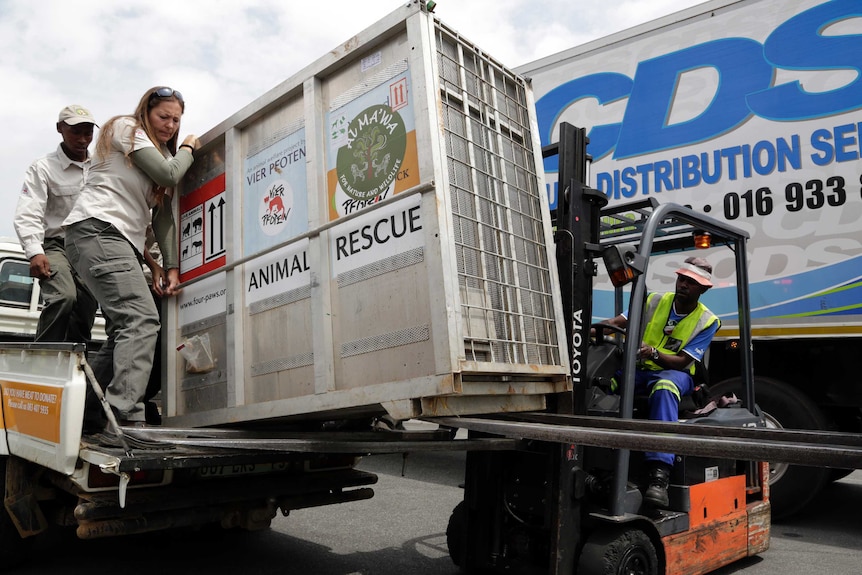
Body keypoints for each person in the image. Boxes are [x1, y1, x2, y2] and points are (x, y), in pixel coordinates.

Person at [63, 86, 199, 428]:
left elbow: (163, 216)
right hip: (96, 230)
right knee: (140, 321)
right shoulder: (127, 128)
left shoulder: (162, 154)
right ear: (146, 112)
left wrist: (168, 266)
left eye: (176, 120)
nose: (169, 125)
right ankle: (125, 418)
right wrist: (188, 148)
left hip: (119, 241)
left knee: (125, 328)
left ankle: (88, 412)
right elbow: (170, 175)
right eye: (163, 117)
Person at [601, 256, 720, 508]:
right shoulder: (654, 300)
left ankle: (659, 473)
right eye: (682, 278)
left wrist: (653, 352)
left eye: (691, 282)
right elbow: (615, 324)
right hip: (638, 371)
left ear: (704, 288)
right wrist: (585, 330)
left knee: (665, 385)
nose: (684, 284)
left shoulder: (707, 321)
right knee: (601, 382)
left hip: (676, 375)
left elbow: (681, 362)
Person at [13, 105, 100, 343]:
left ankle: (73, 367)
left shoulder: (102, 165)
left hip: (90, 247)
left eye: (88, 132)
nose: (83, 139)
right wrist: (34, 252)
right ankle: (42, 358)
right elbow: (28, 213)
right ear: (60, 129)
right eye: (76, 132)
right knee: (63, 296)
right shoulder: (42, 167)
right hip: (56, 244)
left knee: (85, 308)